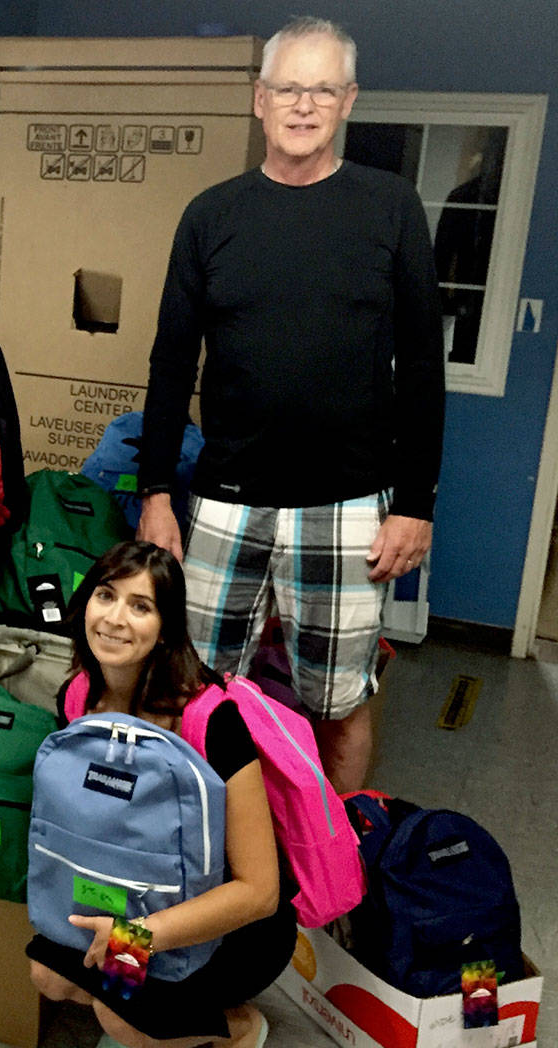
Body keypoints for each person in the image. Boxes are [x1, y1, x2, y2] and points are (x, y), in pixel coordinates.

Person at [136, 16, 445, 793]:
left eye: (321, 89)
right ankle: (203, 849)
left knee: (338, 703)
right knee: (197, 691)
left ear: (348, 101)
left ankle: (331, 871)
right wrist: (155, 492)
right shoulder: (212, 215)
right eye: (286, 88)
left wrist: (416, 502)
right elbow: (172, 364)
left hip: (349, 507)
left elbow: (422, 368)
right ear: (258, 100)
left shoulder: (391, 207)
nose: (302, 105)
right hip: (225, 501)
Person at [33, 541, 294, 1048]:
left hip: (232, 922)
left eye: (141, 606)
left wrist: (142, 934)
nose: (115, 619)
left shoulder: (210, 720)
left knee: (120, 1013)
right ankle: (143, 1020)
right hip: (130, 887)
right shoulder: (78, 695)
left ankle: (240, 1029)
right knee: (50, 976)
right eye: (106, 596)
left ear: (167, 626)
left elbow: (260, 891)